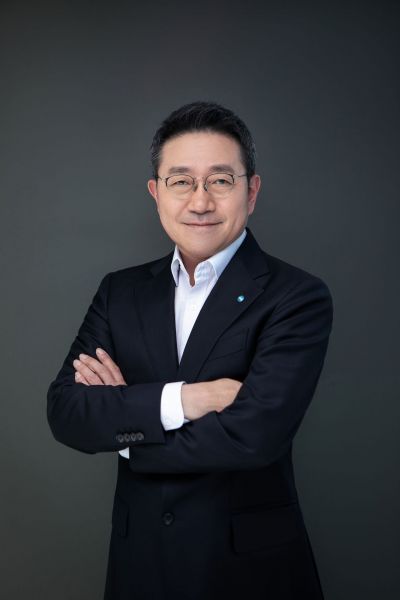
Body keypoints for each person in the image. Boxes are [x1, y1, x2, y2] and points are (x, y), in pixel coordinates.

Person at [47, 100, 333, 600]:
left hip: (248, 575)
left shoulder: (296, 296)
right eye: (181, 181)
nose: (200, 202)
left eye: (220, 181)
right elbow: (67, 412)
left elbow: (254, 437)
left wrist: (125, 430)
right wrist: (187, 399)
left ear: (251, 191)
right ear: (156, 193)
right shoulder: (120, 292)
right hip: (140, 569)